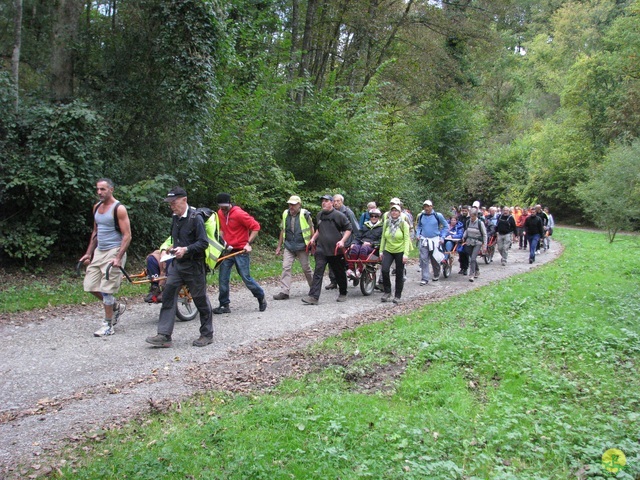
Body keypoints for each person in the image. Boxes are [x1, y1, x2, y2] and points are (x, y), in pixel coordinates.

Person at [145, 187, 214, 348]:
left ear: (184, 200)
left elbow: (203, 243)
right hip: (177, 265)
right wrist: (172, 249)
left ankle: (207, 334)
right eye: (170, 203)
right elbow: (175, 239)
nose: (171, 206)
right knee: (168, 295)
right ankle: (164, 335)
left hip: (194, 266)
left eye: (174, 202)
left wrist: (186, 249)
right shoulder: (175, 218)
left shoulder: (195, 218)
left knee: (200, 299)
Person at [79, 178, 131, 337]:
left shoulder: (119, 209)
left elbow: (127, 235)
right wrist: (88, 253)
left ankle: (108, 325)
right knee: (90, 286)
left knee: (106, 289)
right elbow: (95, 232)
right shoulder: (97, 207)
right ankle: (115, 307)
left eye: (103, 189)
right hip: (100, 251)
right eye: (98, 189)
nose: (100, 192)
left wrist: (118, 257)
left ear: (111, 189)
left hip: (114, 250)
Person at [213, 193, 267, 314]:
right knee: (223, 278)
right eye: (221, 207)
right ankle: (224, 305)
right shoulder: (220, 213)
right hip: (228, 251)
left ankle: (260, 296)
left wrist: (248, 243)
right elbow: (222, 229)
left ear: (229, 203)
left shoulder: (239, 213)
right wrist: (222, 241)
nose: (223, 209)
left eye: (225, 206)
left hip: (241, 251)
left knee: (246, 278)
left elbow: (256, 227)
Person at [301, 194, 352, 305]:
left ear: (332, 203)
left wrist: (342, 241)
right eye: (322, 201)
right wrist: (313, 238)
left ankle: (343, 293)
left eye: (326, 201)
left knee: (339, 272)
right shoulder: (319, 215)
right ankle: (313, 297)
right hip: (321, 249)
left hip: (335, 250)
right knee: (318, 272)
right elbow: (319, 229)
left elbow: (348, 229)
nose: (323, 203)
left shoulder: (339, 215)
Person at [273, 195, 315, 300]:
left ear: (299, 205)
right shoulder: (285, 214)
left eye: (293, 204)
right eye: (290, 204)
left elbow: (311, 229)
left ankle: (314, 289)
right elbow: (283, 230)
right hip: (289, 246)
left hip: (302, 246)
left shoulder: (305, 214)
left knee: (306, 268)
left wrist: (312, 244)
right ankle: (284, 292)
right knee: (286, 267)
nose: (291, 206)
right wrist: (279, 246)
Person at [325, 194, 359, 290]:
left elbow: (355, 226)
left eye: (338, 201)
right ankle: (333, 281)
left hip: (346, 241)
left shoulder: (348, 212)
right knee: (332, 260)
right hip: (333, 241)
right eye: (334, 201)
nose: (336, 203)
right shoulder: (331, 212)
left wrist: (357, 240)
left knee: (346, 262)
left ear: (342, 202)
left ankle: (354, 276)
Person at [379, 204, 411, 303]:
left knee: (399, 273)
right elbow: (383, 237)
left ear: (399, 213)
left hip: (400, 250)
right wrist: (381, 251)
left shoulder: (403, 224)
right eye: (392, 211)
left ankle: (397, 295)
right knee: (384, 270)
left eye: (396, 211)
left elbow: (406, 239)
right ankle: (387, 292)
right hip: (388, 249)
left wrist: (405, 254)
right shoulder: (387, 223)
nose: (394, 212)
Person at [415, 200, 448, 285]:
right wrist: (418, 234)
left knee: (434, 259)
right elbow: (418, 226)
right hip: (424, 240)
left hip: (434, 240)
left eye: (428, 206)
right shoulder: (421, 215)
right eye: (425, 206)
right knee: (424, 259)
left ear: (431, 207)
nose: (426, 208)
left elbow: (445, 226)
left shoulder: (438, 215)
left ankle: (436, 273)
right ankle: (425, 278)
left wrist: (442, 237)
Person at [347, 208, 383, 279]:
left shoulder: (381, 227)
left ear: (378, 217)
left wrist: (371, 243)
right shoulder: (365, 226)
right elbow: (358, 236)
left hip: (373, 248)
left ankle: (360, 269)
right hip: (362, 243)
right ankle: (351, 269)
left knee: (364, 248)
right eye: (372, 216)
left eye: (376, 216)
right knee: (355, 248)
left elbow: (381, 240)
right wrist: (353, 243)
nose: (373, 218)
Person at [462, 207, 487, 282]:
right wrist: (464, 236)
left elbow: (485, 234)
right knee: (472, 258)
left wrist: (484, 246)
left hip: (477, 242)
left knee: (472, 258)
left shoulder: (480, 223)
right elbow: (467, 230)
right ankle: (477, 270)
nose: (471, 218)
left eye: (473, 216)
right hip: (469, 242)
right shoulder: (468, 222)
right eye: (470, 216)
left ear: (476, 215)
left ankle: (471, 274)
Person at [456, 205, 471, 275]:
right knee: (460, 253)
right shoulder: (460, 217)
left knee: (466, 253)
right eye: (463, 211)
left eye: (465, 211)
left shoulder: (470, 218)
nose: (464, 212)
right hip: (460, 236)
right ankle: (462, 267)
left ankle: (465, 268)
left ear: (468, 211)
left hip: (467, 237)